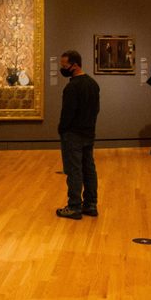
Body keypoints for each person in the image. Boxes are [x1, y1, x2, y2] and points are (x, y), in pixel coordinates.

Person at [56, 50, 100, 220]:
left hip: (73, 134)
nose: (63, 68)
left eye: (64, 65)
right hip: (89, 132)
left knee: (74, 170)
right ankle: (91, 204)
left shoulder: (72, 87)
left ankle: (74, 206)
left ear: (74, 65)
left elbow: (67, 113)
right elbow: (96, 109)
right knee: (89, 168)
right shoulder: (93, 84)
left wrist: (62, 129)